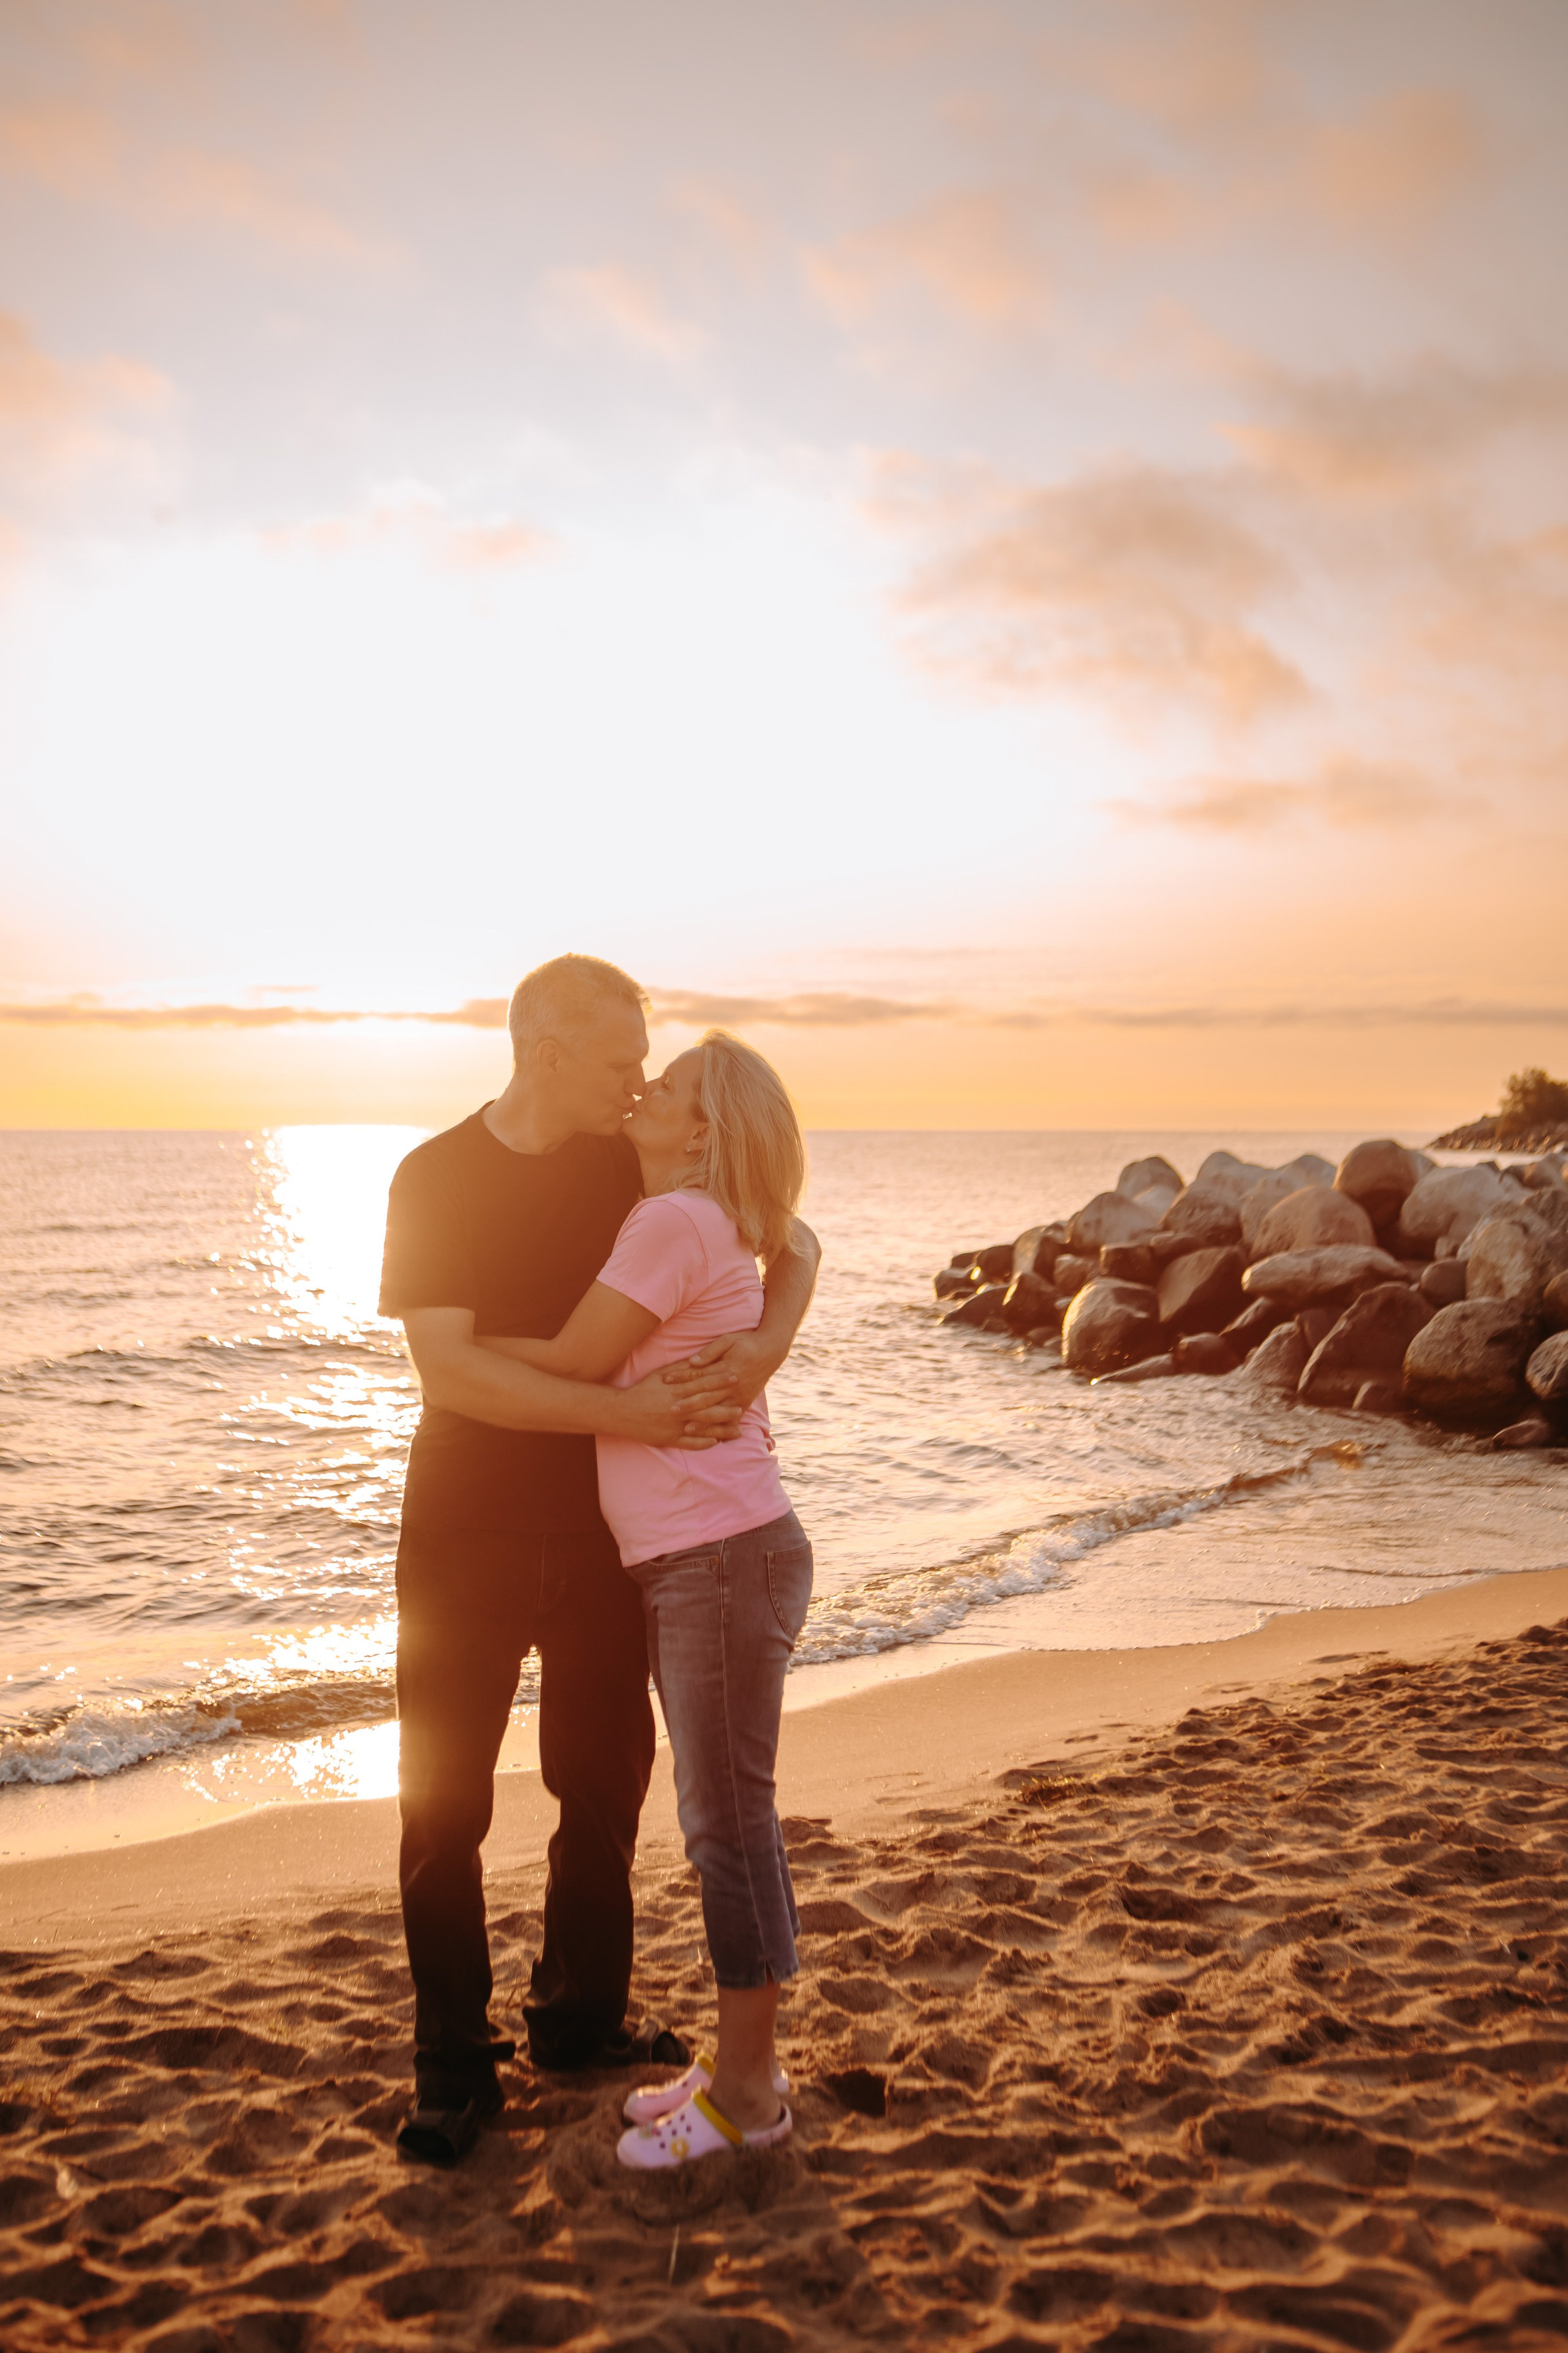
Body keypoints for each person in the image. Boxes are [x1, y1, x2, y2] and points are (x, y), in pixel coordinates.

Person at [378, 956, 820, 2166]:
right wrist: (630, 1416)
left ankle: (577, 2020)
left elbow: (786, 1240)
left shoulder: (625, 1168)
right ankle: (453, 2070)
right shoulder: (433, 1177)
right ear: (548, 1053)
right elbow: (449, 1374)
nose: (638, 1081)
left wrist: (759, 1354)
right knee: (444, 1803)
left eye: (648, 1064)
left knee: (601, 1783)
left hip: (602, 1538)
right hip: (460, 1533)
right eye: (622, 1059)